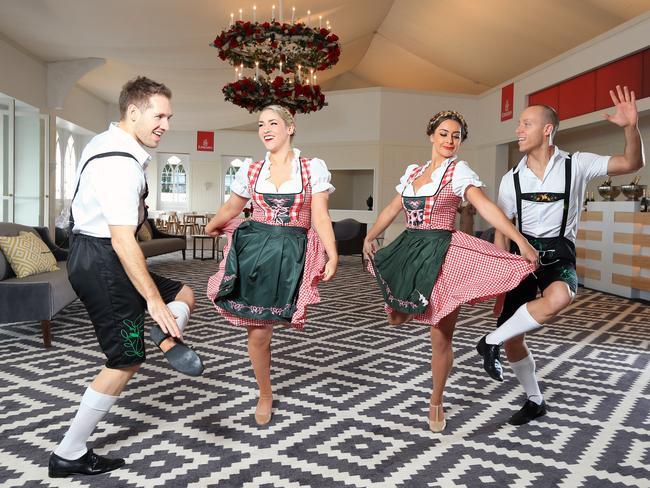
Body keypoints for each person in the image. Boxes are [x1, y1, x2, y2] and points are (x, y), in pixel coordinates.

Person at [48, 77, 204, 478]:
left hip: (99, 253)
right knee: (126, 357)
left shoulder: (106, 143)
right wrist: (151, 301)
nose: (166, 124)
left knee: (184, 291)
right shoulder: (119, 162)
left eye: (169, 116)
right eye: (159, 115)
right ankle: (70, 451)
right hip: (103, 258)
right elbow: (122, 239)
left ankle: (167, 335)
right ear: (133, 112)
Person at [478, 85, 645, 425]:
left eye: (525, 124)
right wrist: (499, 274)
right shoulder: (511, 179)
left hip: (559, 257)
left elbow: (631, 162)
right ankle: (535, 399)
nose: (518, 130)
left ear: (547, 129)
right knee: (514, 341)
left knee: (560, 298)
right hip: (521, 259)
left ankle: (488, 341)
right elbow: (502, 229)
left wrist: (630, 127)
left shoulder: (578, 164)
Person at [363, 110, 538, 433]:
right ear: (431, 135)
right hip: (410, 248)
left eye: (456, 136)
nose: (449, 140)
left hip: (444, 253)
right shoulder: (413, 172)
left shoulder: (459, 172)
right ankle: (409, 307)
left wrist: (519, 240)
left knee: (440, 335)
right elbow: (392, 208)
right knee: (394, 317)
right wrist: (371, 235)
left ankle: (436, 399)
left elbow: (485, 206)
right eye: (444, 133)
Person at [205, 105, 338, 426]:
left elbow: (320, 214)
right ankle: (265, 392)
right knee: (259, 330)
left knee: (279, 321)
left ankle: (265, 389)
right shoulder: (251, 170)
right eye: (261, 124)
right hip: (256, 249)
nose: (265, 129)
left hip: (293, 250)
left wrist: (332, 253)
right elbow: (232, 205)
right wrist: (213, 224)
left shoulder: (311, 168)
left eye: (273, 123)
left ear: (290, 127)